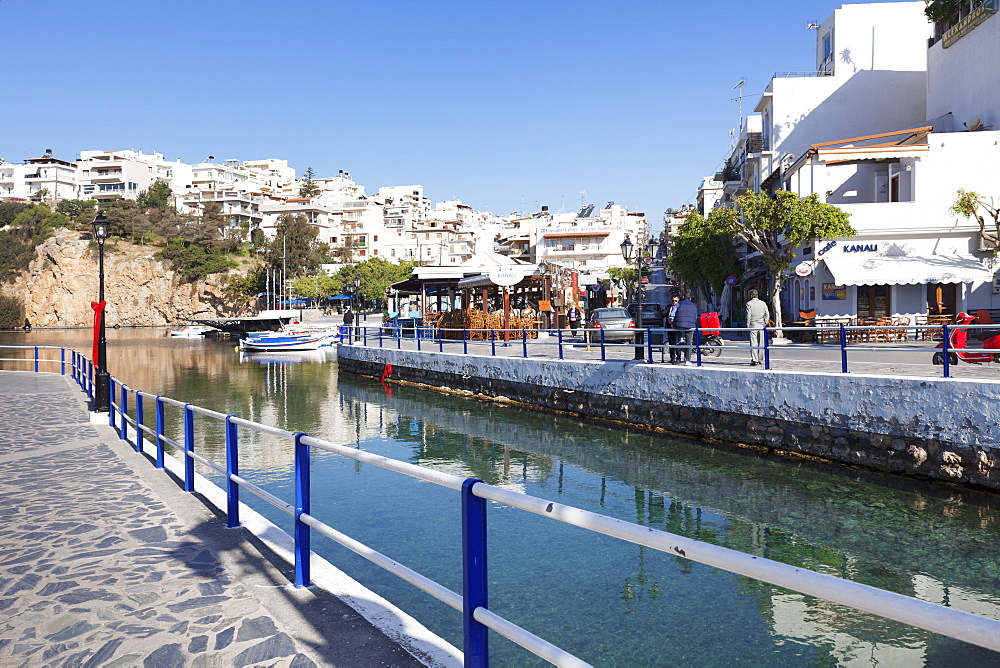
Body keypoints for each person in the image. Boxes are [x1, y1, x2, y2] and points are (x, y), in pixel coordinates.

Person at [672, 293, 699, 365]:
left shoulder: (679, 304)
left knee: (678, 341)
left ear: (683, 297)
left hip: (679, 324)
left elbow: (672, 314)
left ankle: (681, 338)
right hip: (690, 325)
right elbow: (695, 316)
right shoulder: (694, 305)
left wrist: (672, 322)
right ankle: (687, 360)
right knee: (689, 343)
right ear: (690, 298)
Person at [746, 289, 770, 366]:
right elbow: (767, 314)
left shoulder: (749, 304)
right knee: (761, 342)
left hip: (753, 324)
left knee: (753, 342)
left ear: (751, 296)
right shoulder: (763, 303)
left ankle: (754, 359)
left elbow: (748, 316)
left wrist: (747, 325)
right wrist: (765, 322)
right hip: (761, 324)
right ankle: (760, 359)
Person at [665, 295, 681, 363]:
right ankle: (672, 358)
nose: (674, 302)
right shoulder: (668, 307)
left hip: (676, 327)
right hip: (669, 326)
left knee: (677, 342)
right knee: (671, 342)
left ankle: (678, 357)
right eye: (673, 300)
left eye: (676, 301)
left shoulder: (680, 307)